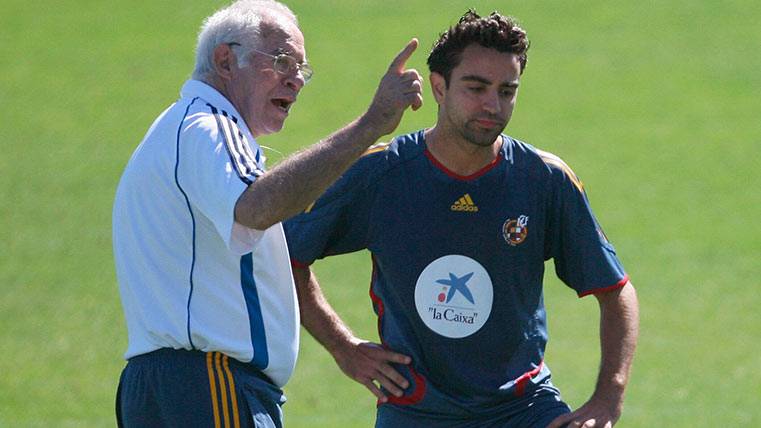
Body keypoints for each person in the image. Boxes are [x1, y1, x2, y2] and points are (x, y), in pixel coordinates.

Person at [284, 10, 639, 428]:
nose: (493, 104)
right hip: (416, 410)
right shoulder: (381, 174)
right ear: (439, 86)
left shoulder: (544, 180)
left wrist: (607, 398)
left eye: (507, 90)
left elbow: (615, 292)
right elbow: (285, 254)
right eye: (476, 87)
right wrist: (344, 347)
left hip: (523, 407)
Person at [112, 0, 423, 426]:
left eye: (302, 70)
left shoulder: (178, 131)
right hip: (209, 383)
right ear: (225, 60)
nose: (296, 81)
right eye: (282, 61)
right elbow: (257, 208)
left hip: (171, 386)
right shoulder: (209, 126)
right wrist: (371, 124)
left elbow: (271, 259)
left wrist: (342, 347)